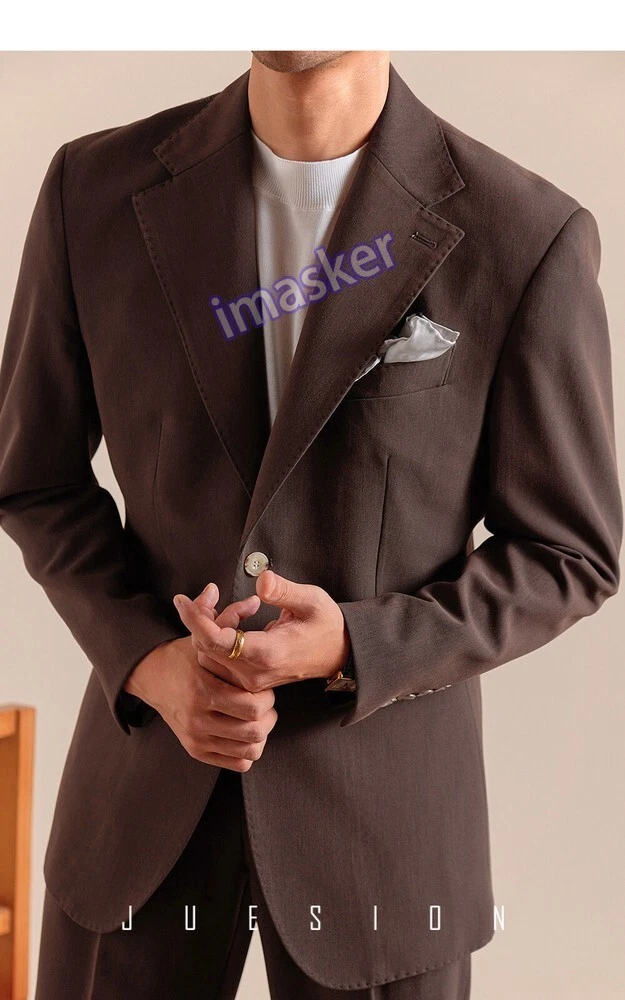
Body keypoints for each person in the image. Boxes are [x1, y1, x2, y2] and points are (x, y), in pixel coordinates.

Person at [0, 50, 621, 1000]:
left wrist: (357, 647)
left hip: (385, 845)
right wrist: (149, 661)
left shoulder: (524, 232)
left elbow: (569, 551)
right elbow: (33, 477)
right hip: (137, 815)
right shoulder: (91, 191)